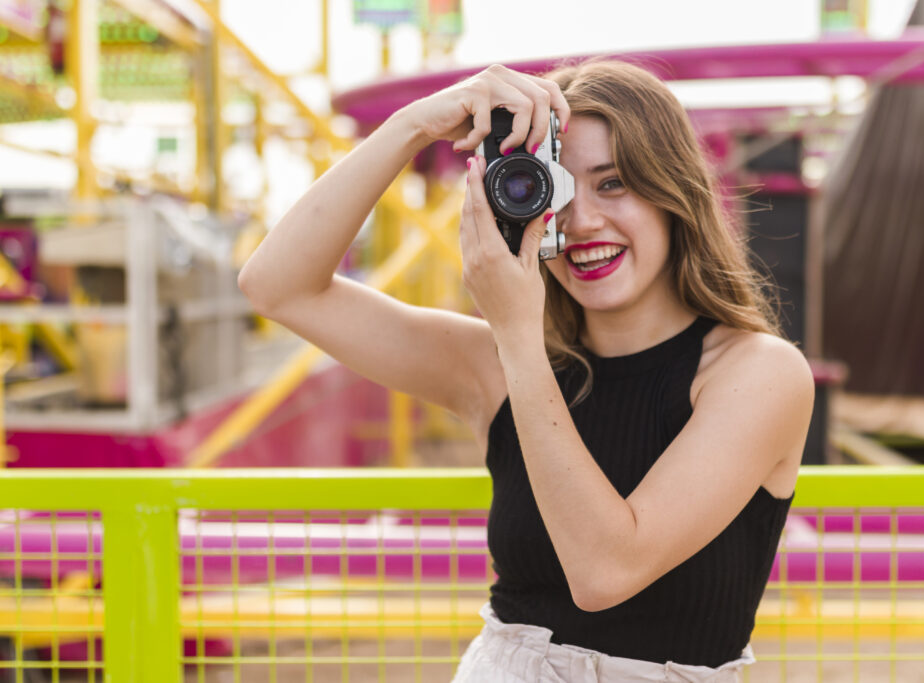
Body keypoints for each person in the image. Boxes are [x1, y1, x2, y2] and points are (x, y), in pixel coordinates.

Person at [238, 60, 814, 682]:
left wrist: (517, 335)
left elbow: (604, 572)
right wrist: (413, 126)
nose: (580, 221)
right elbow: (278, 287)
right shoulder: (500, 361)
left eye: (614, 183)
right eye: (553, 190)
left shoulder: (758, 372)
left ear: (674, 191)